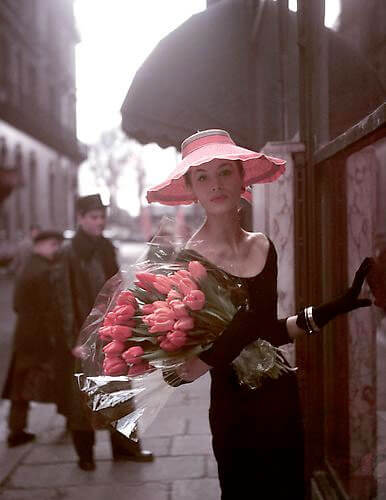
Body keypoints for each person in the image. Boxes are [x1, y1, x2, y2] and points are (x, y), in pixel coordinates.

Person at [147, 129, 373, 499]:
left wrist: (334, 307)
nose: (215, 184)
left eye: (224, 172)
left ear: (241, 177)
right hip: (234, 408)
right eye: (202, 176)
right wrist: (213, 353)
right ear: (191, 188)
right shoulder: (186, 263)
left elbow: (269, 332)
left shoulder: (263, 246)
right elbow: (179, 370)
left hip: (280, 396)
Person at [56, 194, 153, 471]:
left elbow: (118, 288)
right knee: (83, 396)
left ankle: (126, 449)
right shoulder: (69, 253)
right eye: (93, 217)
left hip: (111, 330)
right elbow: (63, 298)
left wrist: (128, 321)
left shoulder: (106, 247)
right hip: (83, 336)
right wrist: (73, 339)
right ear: (81, 218)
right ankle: (84, 454)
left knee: (119, 391)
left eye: (102, 217)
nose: (99, 222)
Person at [2, 230, 64, 447]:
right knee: (55, 378)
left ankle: (16, 429)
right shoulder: (44, 271)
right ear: (41, 245)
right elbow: (51, 307)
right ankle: (69, 419)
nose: (56, 250)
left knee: (20, 384)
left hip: (25, 334)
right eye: (53, 245)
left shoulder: (28, 266)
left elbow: (17, 305)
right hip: (39, 337)